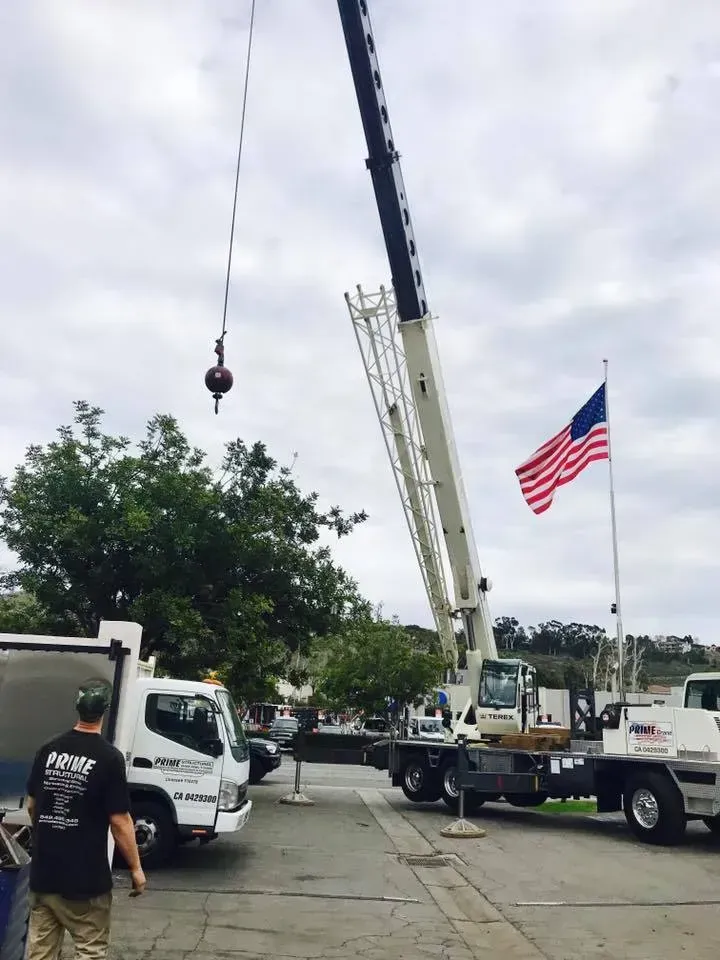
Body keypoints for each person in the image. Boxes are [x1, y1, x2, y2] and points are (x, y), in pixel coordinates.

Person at [25, 679, 147, 960]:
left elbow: (33, 806)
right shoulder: (109, 758)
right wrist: (136, 868)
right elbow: (120, 821)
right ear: (104, 711)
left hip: (44, 876)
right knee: (89, 950)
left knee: (40, 953)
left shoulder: (47, 750)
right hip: (85, 881)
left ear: (77, 709)